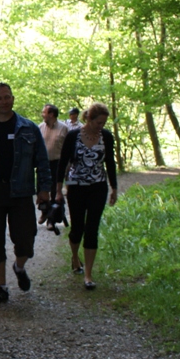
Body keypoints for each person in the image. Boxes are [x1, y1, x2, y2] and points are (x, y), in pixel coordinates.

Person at [0, 84, 51, 304]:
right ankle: (1, 287)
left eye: (7, 97)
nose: (4, 101)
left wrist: (44, 189)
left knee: (26, 240)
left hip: (21, 192)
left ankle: (19, 267)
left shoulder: (29, 128)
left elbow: (42, 161)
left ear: (13, 99)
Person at [55, 102, 118, 290]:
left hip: (98, 187)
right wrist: (58, 190)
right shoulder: (73, 136)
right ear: (89, 119)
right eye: (99, 122)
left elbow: (110, 163)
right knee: (77, 228)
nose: (101, 126)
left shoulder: (106, 137)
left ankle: (88, 274)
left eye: (104, 123)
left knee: (92, 228)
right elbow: (63, 162)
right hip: (76, 187)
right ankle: (75, 257)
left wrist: (114, 188)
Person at [39, 104, 69, 229]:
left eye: (44, 112)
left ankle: (52, 219)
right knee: (42, 189)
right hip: (43, 163)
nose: (42, 114)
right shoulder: (40, 127)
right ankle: (44, 212)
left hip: (58, 163)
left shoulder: (64, 128)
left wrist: (68, 167)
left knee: (55, 191)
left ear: (51, 114)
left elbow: (68, 149)